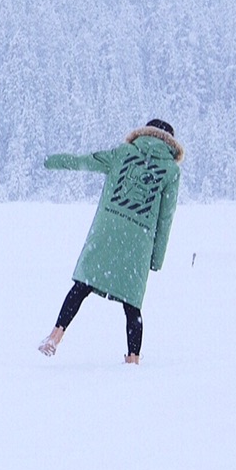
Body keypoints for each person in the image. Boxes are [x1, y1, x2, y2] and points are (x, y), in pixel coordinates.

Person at [38, 119, 183, 362]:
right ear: (170, 142)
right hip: (138, 242)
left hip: (107, 233)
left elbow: (84, 161)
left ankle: (54, 337)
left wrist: (50, 161)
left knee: (81, 287)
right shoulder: (170, 171)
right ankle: (133, 358)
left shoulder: (122, 153)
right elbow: (165, 218)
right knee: (132, 304)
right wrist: (156, 259)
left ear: (144, 133)